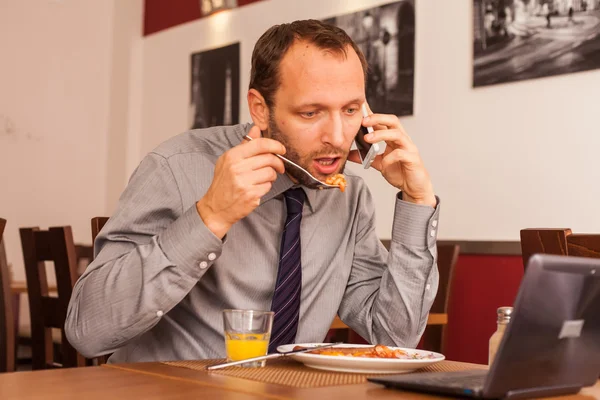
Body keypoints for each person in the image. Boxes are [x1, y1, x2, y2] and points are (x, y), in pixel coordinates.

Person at [65, 19, 440, 363]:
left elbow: (394, 338)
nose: (338, 137)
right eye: (311, 113)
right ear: (260, 109)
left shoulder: (349, 198)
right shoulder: (177, 166)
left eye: (350, 110)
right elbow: (88, 333)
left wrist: (416, 202)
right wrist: (210, 216)